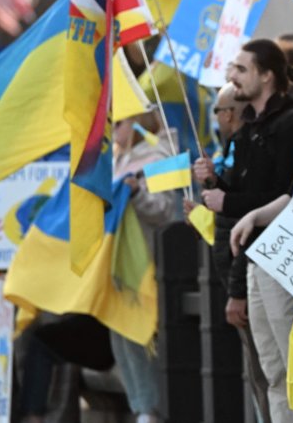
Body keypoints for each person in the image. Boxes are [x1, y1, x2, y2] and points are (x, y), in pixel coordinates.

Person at [195, 39, 293, 423]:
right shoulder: (248, 127)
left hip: (286, 257)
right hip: (254, 258)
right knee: (273, 369)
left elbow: (290, 194)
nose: (232, 76)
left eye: (241, 69)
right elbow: (243, 191)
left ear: (267, 76)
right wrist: (216, 182)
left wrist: (228, 203)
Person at [192, 84, 272, 423]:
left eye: (218, 111)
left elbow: (246, 223)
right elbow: (227, 213)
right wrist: (211, 185)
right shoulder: (233, 146)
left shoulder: (249, 147)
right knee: (259, 373)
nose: (218, 118)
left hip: (250, 278)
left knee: (268, 372)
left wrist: (238, 290)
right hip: (237, 277)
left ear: (228, 114)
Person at [111, 112, 181, 423]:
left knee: (144, 338)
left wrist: (137, 192)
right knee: (122, 336)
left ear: (137, 123)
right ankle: (141, 406)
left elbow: (165, 210)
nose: (113, 129)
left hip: (148, 264)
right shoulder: (115, 158)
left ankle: (153, 408)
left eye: (118, 123)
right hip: (120, 265)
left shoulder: (161, 155)